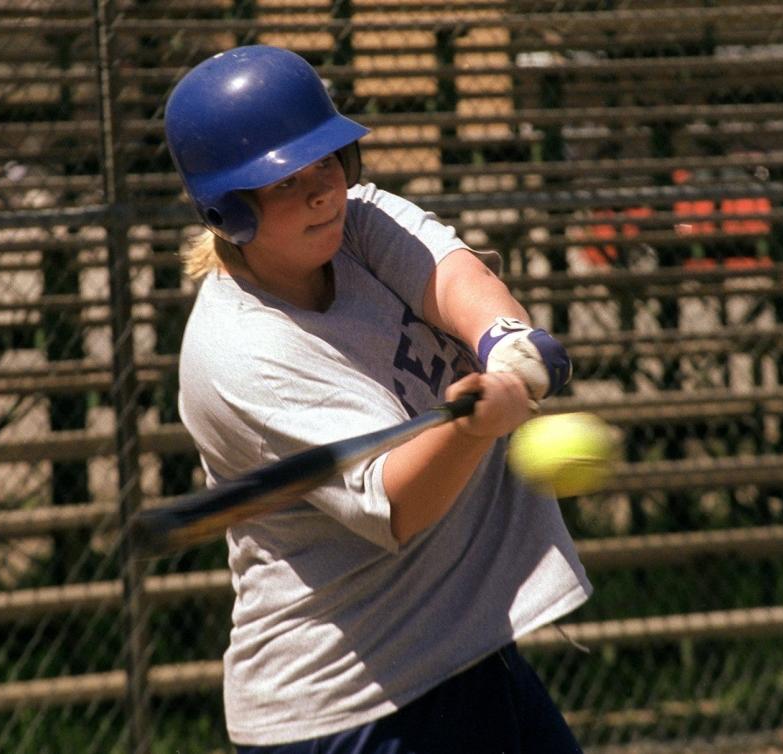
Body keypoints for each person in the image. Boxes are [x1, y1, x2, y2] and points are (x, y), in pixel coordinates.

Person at [164, 45, 592, 753]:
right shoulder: (243, 353)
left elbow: (448, 275)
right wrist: (471, 429)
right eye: (285, 184)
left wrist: (506, 342)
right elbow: (398, 508)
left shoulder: (352, 228)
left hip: (460, 650)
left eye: (327, 164)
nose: (321, 192)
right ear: (227, 211)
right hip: (349, 704)